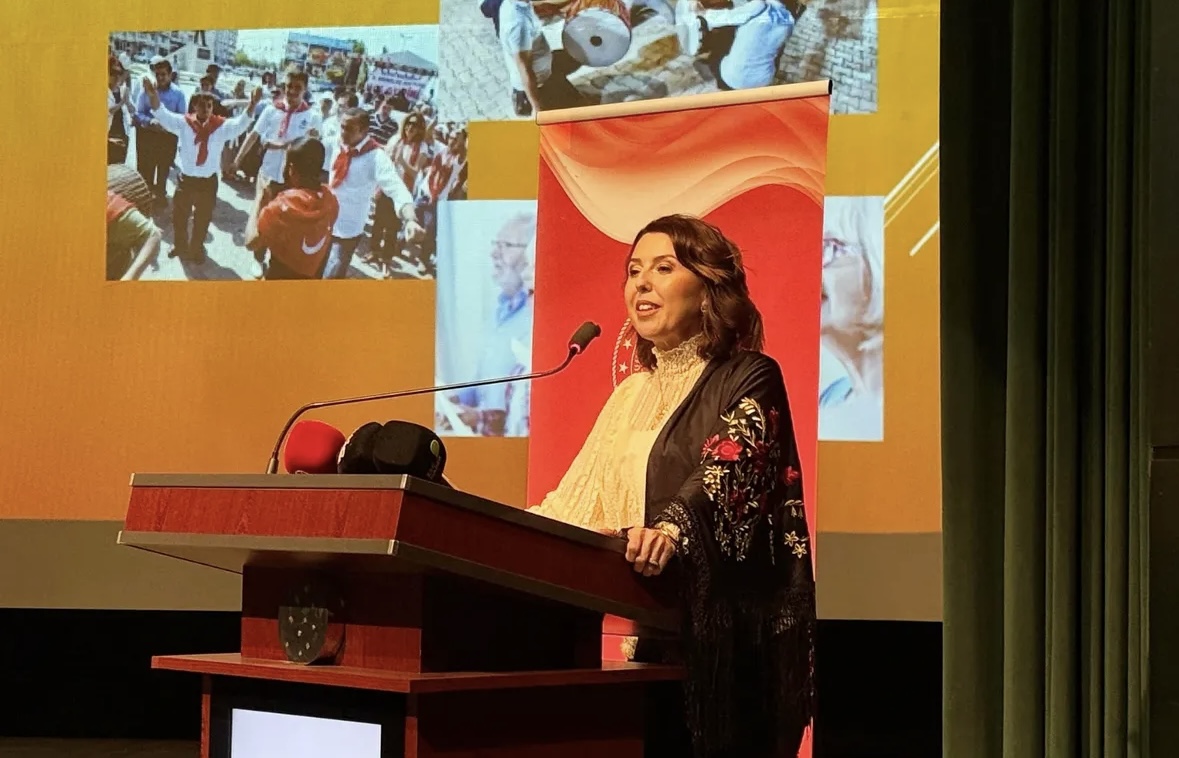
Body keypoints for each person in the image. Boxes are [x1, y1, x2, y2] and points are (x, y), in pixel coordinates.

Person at [528, 214, 815, 757]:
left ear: (708, 289)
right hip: (644, 651)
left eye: (663, 268)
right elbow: (575, 501)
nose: (641, 283)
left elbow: (731, 466)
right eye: (634, 270)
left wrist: (671, 530)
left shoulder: (750, 374)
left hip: (723, 656)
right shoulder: (629, 394)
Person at [245, 137, 339, 280]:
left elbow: (251, 243)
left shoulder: (281, 207)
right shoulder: (331, 199)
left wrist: (259, 198)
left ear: (291, 169)